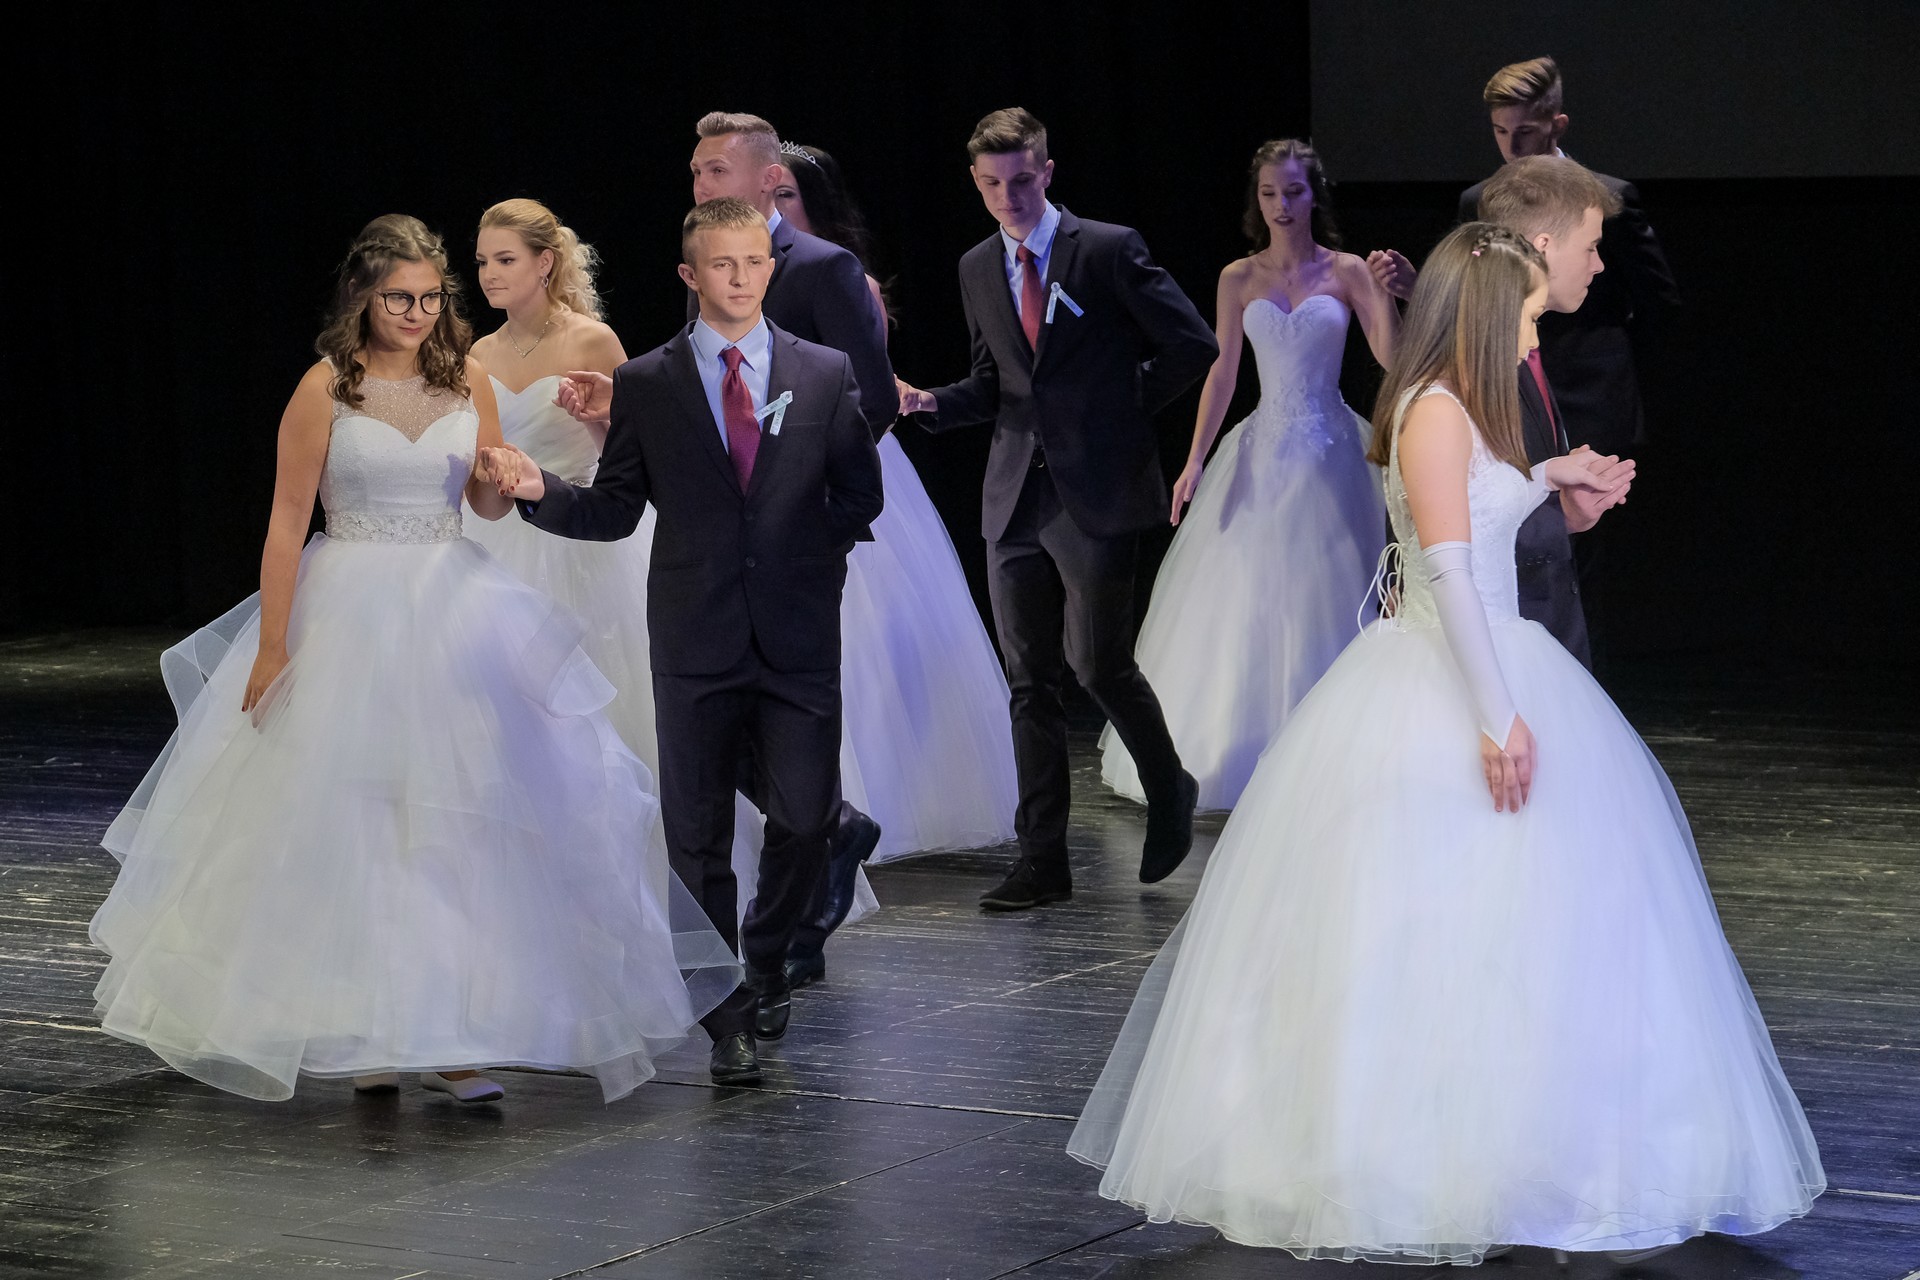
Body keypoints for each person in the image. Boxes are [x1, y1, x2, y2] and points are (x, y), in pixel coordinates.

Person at [1067, 223, 1823, 1264]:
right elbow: (1450, 570)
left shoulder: (1470, 407)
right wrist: (1495, 712)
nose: (1534, 332)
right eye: (1525, 314)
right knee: (1434, 920)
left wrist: (1556, 478)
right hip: (1453, 671)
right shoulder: (1430, 408)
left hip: (1499, 654)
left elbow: (1485, 507)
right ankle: (1418, 1160)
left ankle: (1541, 1149)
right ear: (1485, 312)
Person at [91, 215, 737, 1106]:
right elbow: (287, 522)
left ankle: (447, 1034)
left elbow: (485, 505)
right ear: (364, 295)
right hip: (348, 607)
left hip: (451, 603)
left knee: (455, 820)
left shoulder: (465, 377)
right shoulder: (326, 387)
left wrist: (501, 477)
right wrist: (273, 644)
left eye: (432, 299)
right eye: (401, 298)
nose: (418, 314)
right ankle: (371, 1029)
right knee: (355, 818)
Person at [485, 198, 885, 1086]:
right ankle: (725, 1018)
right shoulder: (651, 383)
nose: (741, 278)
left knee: (804, 817)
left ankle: (767, 954)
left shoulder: (822, 373)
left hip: (797, 633)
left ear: (769, 267)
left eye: (754, 262)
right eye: (722, 264)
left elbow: (860, 494)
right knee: (695, 838)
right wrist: (539, 491)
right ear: (690, 274)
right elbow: (615, 509)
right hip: (693, 633)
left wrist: (805, 560)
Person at [563, 112, 893, 976]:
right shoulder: (704, 274)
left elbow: (871, 402)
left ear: (767, 178)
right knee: (715, 775)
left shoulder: (822, 269)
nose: (700, 182)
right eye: (696, 171)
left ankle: (798, 899)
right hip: (709, 570)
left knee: (794, 773)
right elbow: (703, 402)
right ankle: (740, 978)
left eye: (715, 170)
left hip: (798, 546)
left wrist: (805, 517)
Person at [896, 108, 1217, 910]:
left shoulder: (1105, 248)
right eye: (991, 183)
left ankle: (1167, 782)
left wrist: (1117, 411)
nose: (1008, 196)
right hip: (1014, 493)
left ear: (1046, 171)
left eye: (1021, 179)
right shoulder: (977, 266)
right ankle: (1042, 860)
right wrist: (930, 402)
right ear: (975, 183)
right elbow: (995, 383)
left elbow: (1192, 344)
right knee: (1028, 680)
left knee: (1097, 662)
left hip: (1096, 487)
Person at [1100, 139, 1396, 811]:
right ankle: (1247, 744)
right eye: (1269, 193)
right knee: (1252, 594)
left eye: (1293, 191)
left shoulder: (1347, 270)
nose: (1281, 205)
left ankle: (1333, 748)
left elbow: (1390, 356)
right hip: (1263, 448)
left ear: (1314, 194)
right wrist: (1195, 458)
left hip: (1332, 451)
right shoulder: (1238, 277)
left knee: (1329, 590)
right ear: (1256, 201)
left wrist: (1383, 297)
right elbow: (1223, 372)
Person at [1374, 56, 1680, 671]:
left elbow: (1656, 302)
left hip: (1534, 613)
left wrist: (1559, 500)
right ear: (1542, 246)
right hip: (1484, 652)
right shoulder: (1456, 389)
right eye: (1590, 249)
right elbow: (1447, 546)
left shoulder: (1525, 348)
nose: (1598, 264)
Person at [774, 140, 1018, 898]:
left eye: (785, 197)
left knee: (870, 632)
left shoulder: (846, 279)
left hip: (847, 462)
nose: (772, 210)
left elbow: (863, 387)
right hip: (778, 466)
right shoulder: (749, 276)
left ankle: (882, 798)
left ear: (813, 206)